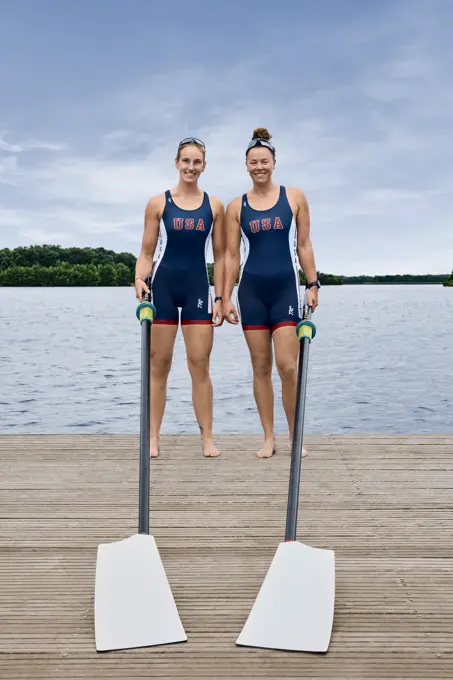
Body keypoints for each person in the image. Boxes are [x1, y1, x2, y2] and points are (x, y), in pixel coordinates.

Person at [223, 128, 319, 458]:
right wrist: (224, 296)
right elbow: (231, 256)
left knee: (288, 367)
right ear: (246, 166)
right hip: (251, 293)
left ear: (274, 162)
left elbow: (303, 244)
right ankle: (268, 438)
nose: (259, 166)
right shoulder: (237, 206)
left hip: (284, 292)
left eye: (264, 161)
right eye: (253, 162)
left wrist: (313, 283)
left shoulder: (294, 198)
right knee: (260, 367)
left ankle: (295, 437)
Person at [135, 137, 224, 458]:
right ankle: (153, 438)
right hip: (164, 288)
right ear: (176, 163)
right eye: (185, 161)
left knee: (199, 363)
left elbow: (221, 255)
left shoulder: (213, 206)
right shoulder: (158, 204)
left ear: (204, 166)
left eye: (197, 162)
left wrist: (221, 297)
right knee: (159, 364)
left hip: (198, 289)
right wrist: (138, 278)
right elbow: (146, 253)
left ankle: (207, 439)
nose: (191, 167)